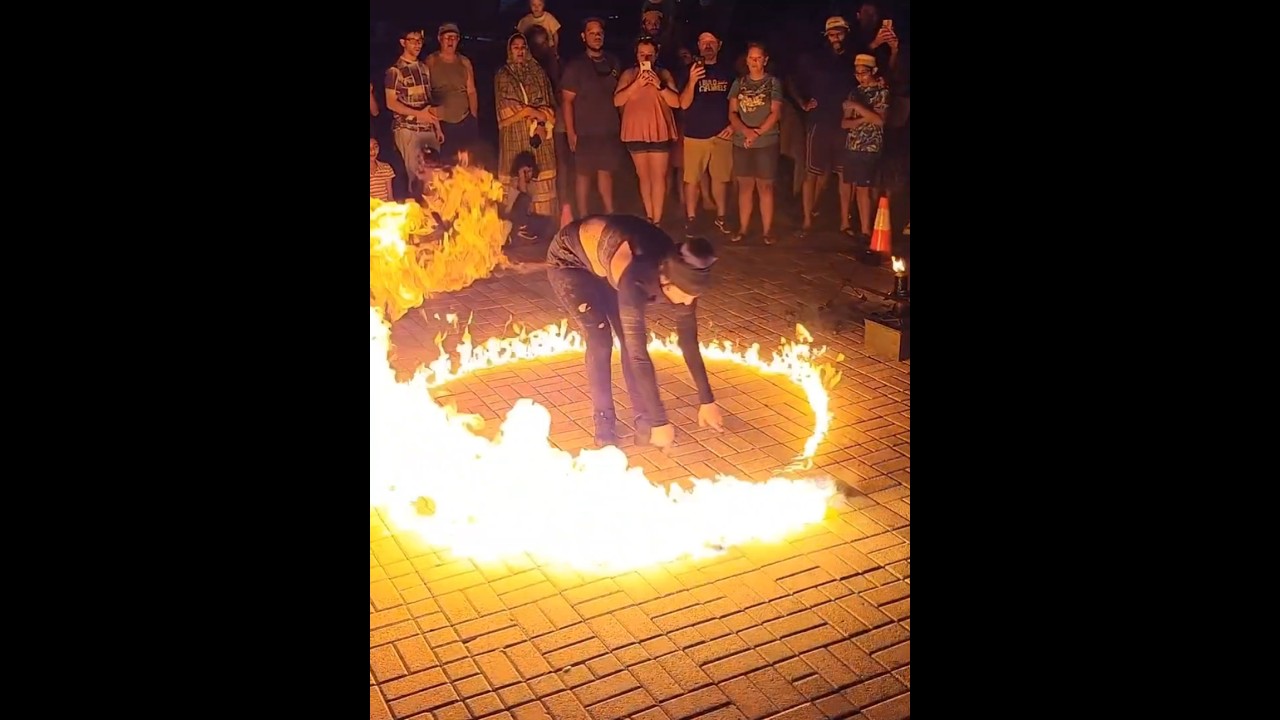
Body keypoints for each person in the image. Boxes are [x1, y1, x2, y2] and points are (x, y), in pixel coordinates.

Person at [545, 214, 725, 448]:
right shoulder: (636, 280)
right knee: (601, 339)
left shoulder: (682, 273)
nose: (688, 302)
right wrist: (661, 421)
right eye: (684, 296)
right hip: (570, 262)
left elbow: (688, 341)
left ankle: (643, 416)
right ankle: (604, 420)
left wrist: (707, 400)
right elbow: (638, 354)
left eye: (694, 297)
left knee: (625, 334)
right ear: (667, 285)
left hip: (610, 259)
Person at [561, 18, 626, 218]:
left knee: (606, 172)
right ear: (583, 37)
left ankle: (609, 212)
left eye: (599, 33)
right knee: (583, 175)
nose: (596, 37)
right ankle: (583, 215)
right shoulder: (575, 67)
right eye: (592, 33)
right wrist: (571, 132)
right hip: (585, 131)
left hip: (609, 128)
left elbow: (621, 95)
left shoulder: (613, 62)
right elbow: (567, 101)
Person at [615, 37, 680, 225]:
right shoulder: (629, 74)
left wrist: (659, 85)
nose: (646, 58)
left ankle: (657, 219)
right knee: (643, 176)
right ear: (636, 55)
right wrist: (637, 84)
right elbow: (617, 100)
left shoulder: (663, 74)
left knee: (659, 176)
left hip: (659, 129)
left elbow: (676, 102)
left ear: (656, 55)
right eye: (642, 54)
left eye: (650, 54)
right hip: (636, 130)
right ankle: (650, 216)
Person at [495, 33, 559, 218]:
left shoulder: (538, 72)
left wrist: (539, 115)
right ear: (510, 50)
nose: (520, 51)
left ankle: (542, 222)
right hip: (515, 133)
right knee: (518, 174)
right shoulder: (503, 75)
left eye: (523, 47)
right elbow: (506, 110)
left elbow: (548, 102)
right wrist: (531, 112)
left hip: (539, 132)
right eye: (516, 47)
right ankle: (517, 222)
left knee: (540, 174)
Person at [728, 42, 784, 243]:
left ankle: (767, 230)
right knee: (744, 186)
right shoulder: (739, 83)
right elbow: (732, 113)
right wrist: (745, 132)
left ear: (765, 60)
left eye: (758, 58)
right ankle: (743, 228)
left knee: (765, 187)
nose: (754, 61)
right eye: (751, 58)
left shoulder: (773, 83)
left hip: (766, 142)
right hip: (742, 142)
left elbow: (775, 112)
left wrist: (757, 133)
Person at [384, 28, 444, 200]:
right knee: (417, 174)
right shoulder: (395, 71)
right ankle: (418, 213)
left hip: (428, 129)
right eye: (413, 40)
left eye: (420, 40)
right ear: (403, 42)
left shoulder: (424, 68)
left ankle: (434, 213)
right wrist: (418, 115)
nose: (418, 44)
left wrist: (437, 126)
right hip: (408, 129)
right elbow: (391, 103)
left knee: (434, 174)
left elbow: (428, 100)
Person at [840, 54, 889, 243]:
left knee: (864, 188)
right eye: (857, 73)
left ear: (874, 71)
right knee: (851, 186)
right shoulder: (854, 93)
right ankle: (851, 225)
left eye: (864, 73)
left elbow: (879, 120)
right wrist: (864, 116)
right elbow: (845, 123)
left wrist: (857, 109)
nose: (861, 77)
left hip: (871, 146)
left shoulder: (882, 92)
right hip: (852, 144)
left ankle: (866, 230)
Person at [425, 23, 480, 162]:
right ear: (439, 39)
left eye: (454, 38)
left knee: (467, 164)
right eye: (447, 37)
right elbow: (426, 92)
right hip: (442, 123)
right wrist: (433, 121)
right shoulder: (431, 61)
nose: (450, 41)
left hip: (464, 120)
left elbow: (472, 91)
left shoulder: (464, 61)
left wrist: (473, 117)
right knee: (446, 164)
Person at [370, 138, 396, 202]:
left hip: (385, 208)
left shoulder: (386, 168)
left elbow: (390, 197)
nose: (372, 150)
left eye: (375, 147)